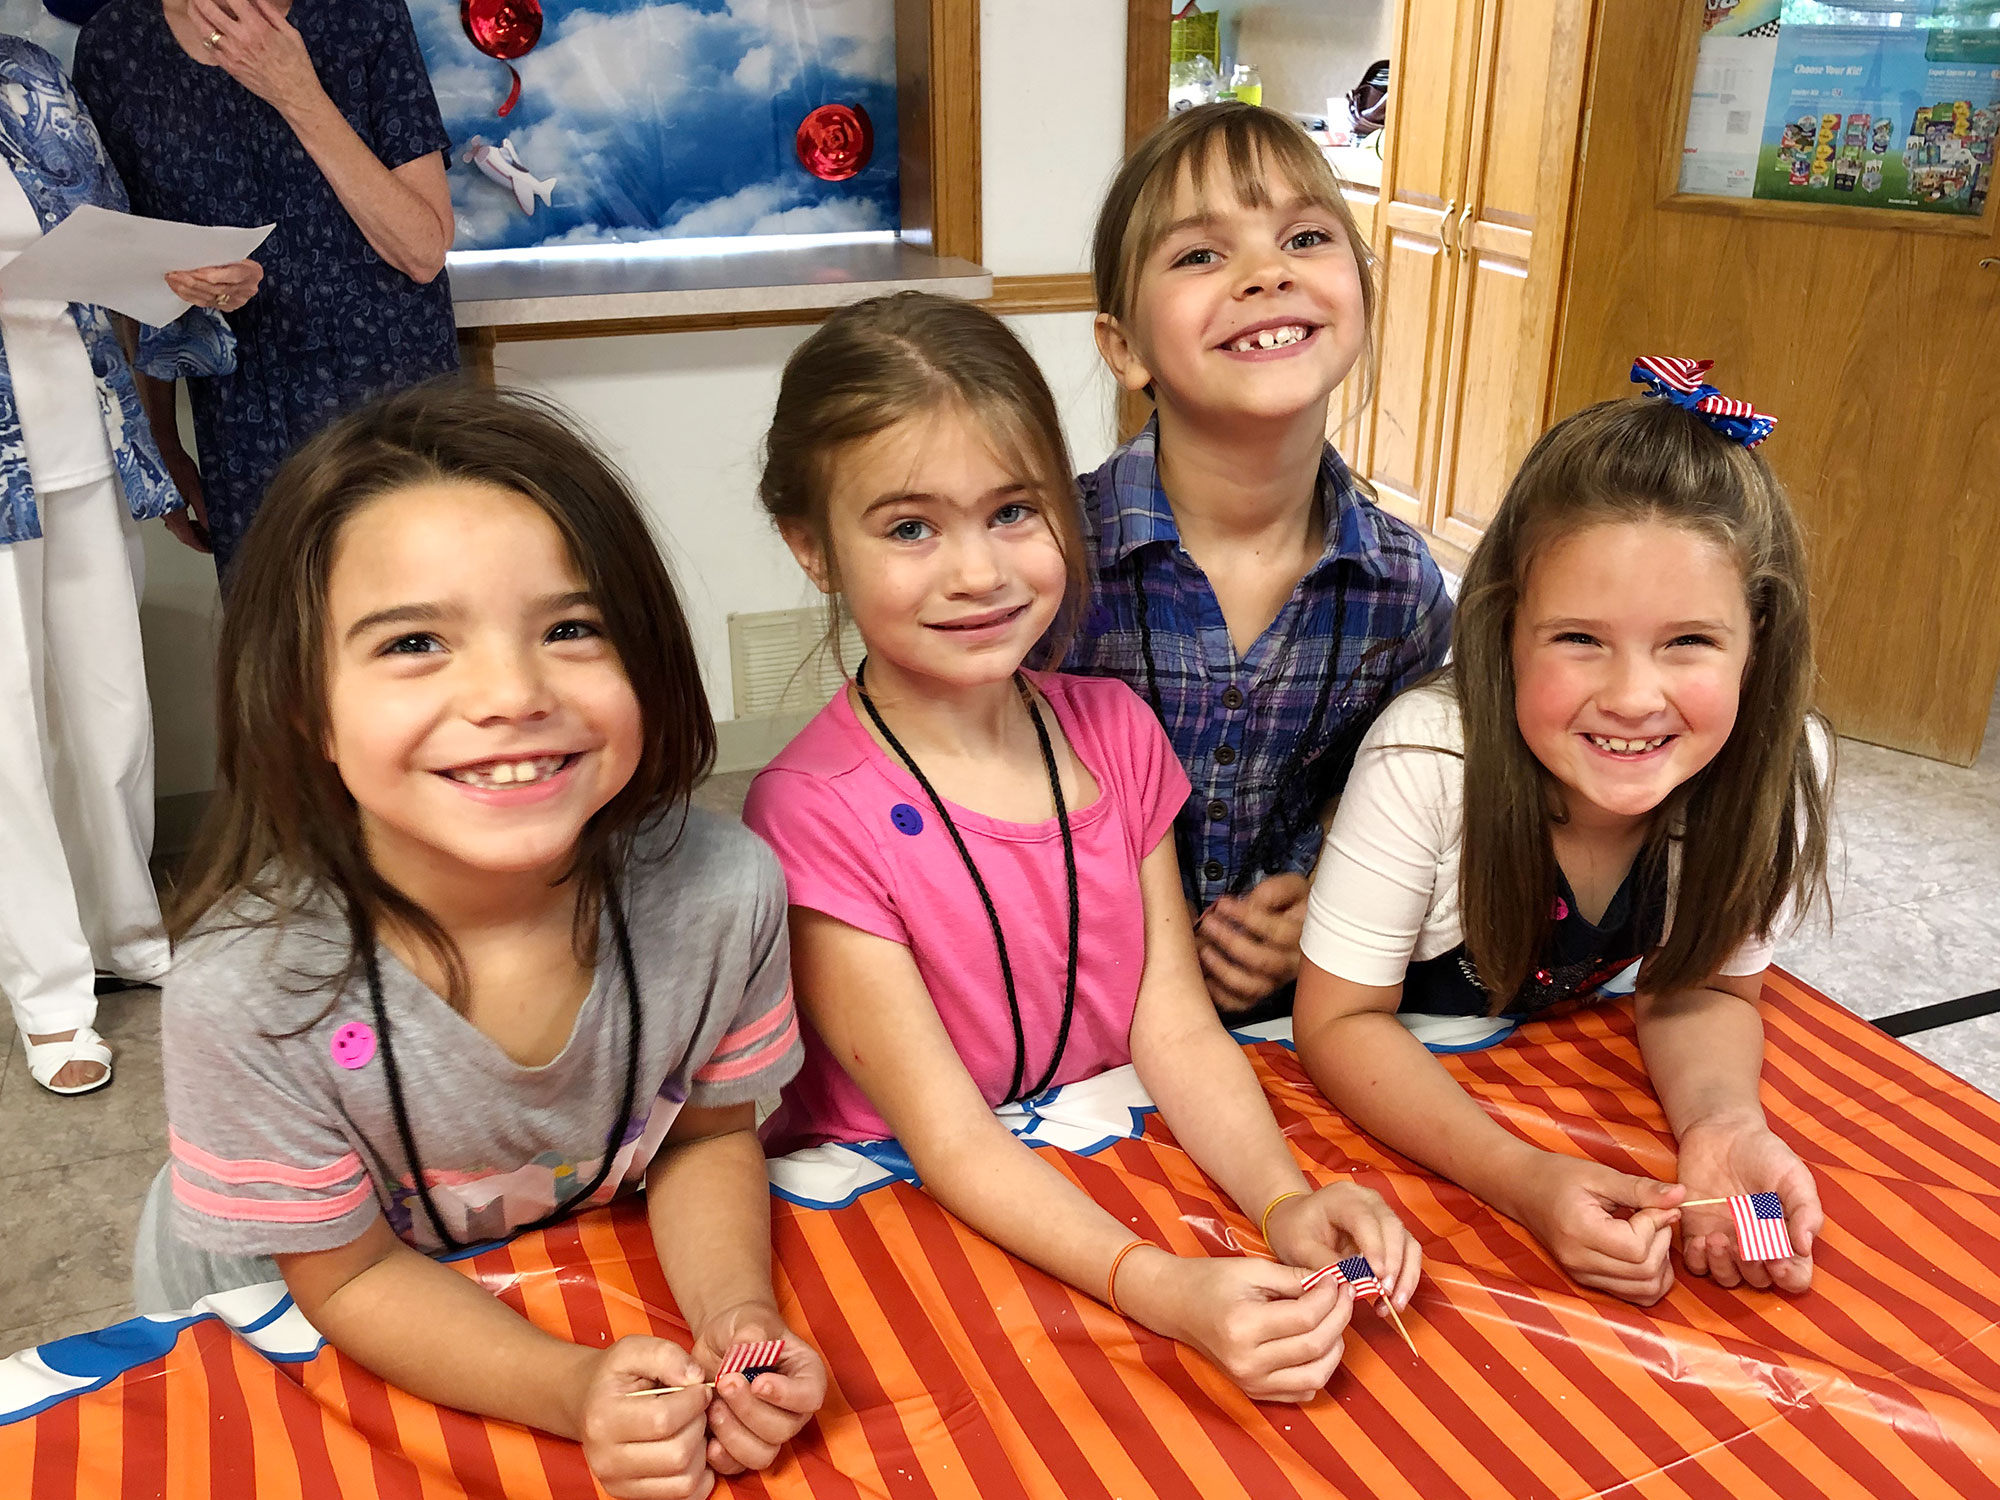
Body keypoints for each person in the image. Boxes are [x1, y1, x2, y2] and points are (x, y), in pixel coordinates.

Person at [132, 386, 826, 1496]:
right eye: (415, 642)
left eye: (570, 628)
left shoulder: (721, 892)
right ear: (305, 703)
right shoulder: (247, 994)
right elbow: (348, 1280)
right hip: (284, 1320)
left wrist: (737, 1318)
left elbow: (701, 1140)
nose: (511, 693)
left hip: (543, 1265)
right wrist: (573, 1389)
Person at [742, 292, 1420, 1404]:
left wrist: (1281, 1200)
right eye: (910, 528)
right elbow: (950, 1142)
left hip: (1113, 1185)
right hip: (912, 1227)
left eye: (1014, 511)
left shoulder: (1116, 732)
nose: (978, 573)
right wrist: (1169, 1290)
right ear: (812, 547)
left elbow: (1176, 1029)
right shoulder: (811, 813)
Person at [1292, 370, 1833, 1308]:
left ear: (1759, 638)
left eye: (1690, 642)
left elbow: (1704, 988)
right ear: (1506, 630)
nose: (1631, 697)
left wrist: (1722, 1123)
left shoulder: (1778, 771)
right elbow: (1338, 1023)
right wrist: (1523, 1179)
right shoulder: (1427, 757)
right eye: (1580, 638)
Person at [1055, 102, 1453, 1022]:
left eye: (1305, 238)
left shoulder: (1404, 590)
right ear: (1124, 348)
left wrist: (1326, 902)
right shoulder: (1047, 562)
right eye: (1201, 254)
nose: (1268, 274)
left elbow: (1391, 798)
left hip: (1292, 1030)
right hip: (1068, 1032)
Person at [0, 33, 236, 1096]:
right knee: (9, 733)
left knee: (111, 710)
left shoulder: (27, 73)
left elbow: (113, 242)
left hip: (82, 440)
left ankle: (127, 934)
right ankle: (50, 994)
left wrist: (187, 279)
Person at [73, 0, 458, 574]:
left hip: (396, 396)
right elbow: (129, 269)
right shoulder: (116, 44)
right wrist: (163, 442)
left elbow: (422, 250)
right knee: (273, 620)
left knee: (420, 602)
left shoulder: (363, 13)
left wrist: (297, 92)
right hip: (243, 418)